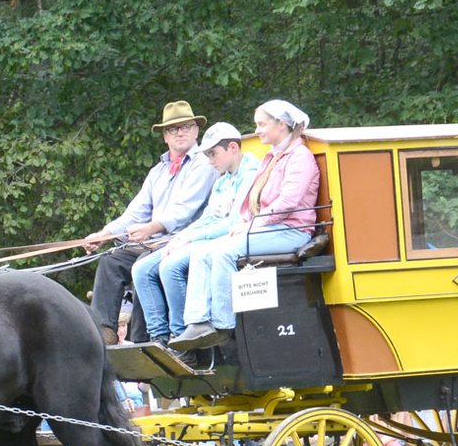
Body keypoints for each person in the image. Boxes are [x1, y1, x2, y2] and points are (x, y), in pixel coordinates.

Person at [167, 99, 320, 351]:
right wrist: (246, 221)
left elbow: (288, 204)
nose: (258, 130)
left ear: (281, 124)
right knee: (204, 251)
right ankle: (197, 322)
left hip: (291, 230)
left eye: (262, 124)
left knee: (225, 252)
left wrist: (252, 225)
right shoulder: (272, 157)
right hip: (268, 227)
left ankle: (223, 325)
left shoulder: (299, 157)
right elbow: (254, 200)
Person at [80, 101, 217, 344]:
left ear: (196, 130)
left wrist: (152, 228)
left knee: (143, 265)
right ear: (165, 136)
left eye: (186, 126)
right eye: (173, 129)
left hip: (184, 241)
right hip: (153, 243)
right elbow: (135, 213)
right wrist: (105, 233)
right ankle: (103, 332)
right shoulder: (158, 172)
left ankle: (145, 340)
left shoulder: (204, 164)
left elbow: (185, 209)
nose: (180, 133)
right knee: (111, 261)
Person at [131, 121, 262, 345]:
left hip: (224, 240)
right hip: (204, 238)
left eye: (213, 154)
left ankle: (182, 338)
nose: (210, 161)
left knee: (170, 267)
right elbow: (208, 217)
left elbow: (233, 222)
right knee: (141, 269)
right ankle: (158, 337)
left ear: (232, 148)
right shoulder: (223, 181)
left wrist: (189, 237)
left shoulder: (250, 176)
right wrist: (181, 237)